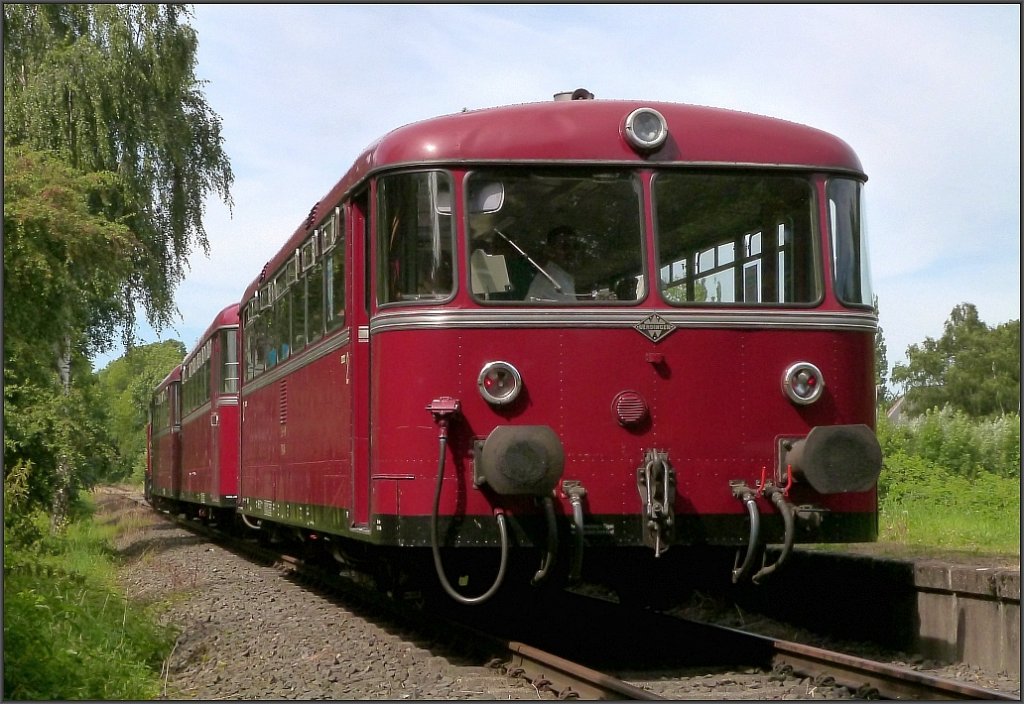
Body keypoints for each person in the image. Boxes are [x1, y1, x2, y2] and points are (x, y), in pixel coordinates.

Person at [526, 225, 578, 301]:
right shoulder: (548, 280)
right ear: (550, 251)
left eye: (576, 247)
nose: (572, 252)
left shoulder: (566, 277)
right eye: (565, 247)